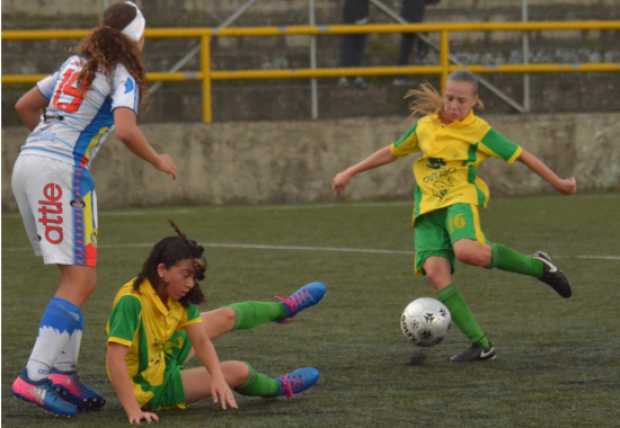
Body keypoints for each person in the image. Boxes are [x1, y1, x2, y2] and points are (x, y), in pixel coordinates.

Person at [332, 70, 576, 363]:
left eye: (462, 100)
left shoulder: (479, 130)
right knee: (436, 273)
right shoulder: (425, 127)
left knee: (467, 251)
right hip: (426, 209)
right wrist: (350, 171)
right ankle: (481, 345)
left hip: (460, 198)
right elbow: (392, 151)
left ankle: (539, 267)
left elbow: (521, 154)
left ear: (474, 101)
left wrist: (559, 182)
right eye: (449, 98)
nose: (454, 105)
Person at [10, 1, 177, 417]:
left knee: (76, 277)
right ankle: (33, 376)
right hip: (60, 172)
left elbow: (24, 105)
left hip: (28, 163)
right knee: (81, 281)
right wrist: (158, 160)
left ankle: (62, 373)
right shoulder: (123, 73)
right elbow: (125, 128)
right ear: (138, 38)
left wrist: (52, 142)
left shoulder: (75, 63)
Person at [106, 222, 326, 424]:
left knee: (226, 316)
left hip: (165, 349)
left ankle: (285, 309)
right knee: (239, 371)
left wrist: (217, 378)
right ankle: (278, 387)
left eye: (194, 277)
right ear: (162, 270)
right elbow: (115, 360)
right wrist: (134, 410)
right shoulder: (131, 302)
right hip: (152, 386)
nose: (190, 284)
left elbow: (201, 341)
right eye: (185, 275)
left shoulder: (179, 295)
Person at [393, 0, 439, 86]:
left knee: (406, 48)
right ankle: (420, 56)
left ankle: (420, 56)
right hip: (410, 19)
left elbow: (430, 2)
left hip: (412, 18)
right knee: (406, 48)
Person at [338, 0, 370, 89]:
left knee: (359, 48)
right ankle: (344, 76)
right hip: (350, 19)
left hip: (362, 19)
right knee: (348, 48)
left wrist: (364, 17)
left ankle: (357, 76)